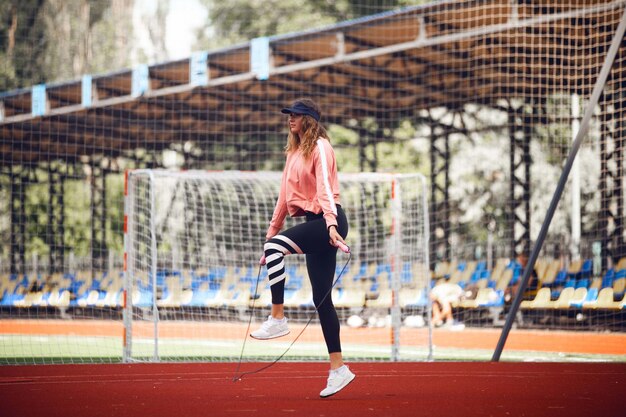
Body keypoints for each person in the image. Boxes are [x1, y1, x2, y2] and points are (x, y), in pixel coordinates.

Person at [250, 98, 355, 398]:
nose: (290, 119)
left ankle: (278, 319)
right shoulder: (293, 153)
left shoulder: (321, 146)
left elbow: (324, 187)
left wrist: (331, 226)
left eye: (295, 115)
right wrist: (271, 237)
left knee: (282, 253)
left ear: (309, 119)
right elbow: (284, 198)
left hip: (327, 219)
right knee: (322, 300)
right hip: (315, 221)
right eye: (289, 115)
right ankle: (339, 369)